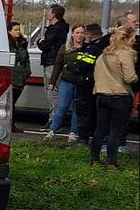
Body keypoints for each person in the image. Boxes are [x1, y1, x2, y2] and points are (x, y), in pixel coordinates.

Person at [89, 25, 138, 170]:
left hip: (101, 95)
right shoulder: (125, 53)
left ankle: (95, 161)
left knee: (99, 130)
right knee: (116, 131)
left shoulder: (103, 55)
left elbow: (96, 76)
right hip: (120, 96)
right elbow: (130, 78)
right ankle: (111, 163)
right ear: (127, 38)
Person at [45, 24, 86, 142]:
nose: (80, 35)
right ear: (72, 34)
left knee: (77, 109)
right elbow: (57, 66)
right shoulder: (65, 48)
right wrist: (52, 82)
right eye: (77, 32)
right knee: (61, 107)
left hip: (81, 83)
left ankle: (73, 133)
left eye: (82, 33)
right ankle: (52, 131)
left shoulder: (87, 48)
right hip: (66, 82)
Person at [73, 24, 107, 145]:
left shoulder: (93, 48)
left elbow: (82, 65)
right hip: (100, 85)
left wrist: (71, 66)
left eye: (85, 34)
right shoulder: (105, 45)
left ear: (90, 35)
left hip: (88, 84)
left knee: (85, 112)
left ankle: (84, 138)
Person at [36, 4, 69, 123]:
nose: (48, 14)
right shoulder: (61, 28)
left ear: (54, 14)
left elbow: (44, 45)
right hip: (52, 61)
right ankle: (54, 119)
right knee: (52, 91)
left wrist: (40, 41)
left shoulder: (56, 29)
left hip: (51, 61)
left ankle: (54, 120)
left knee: (52, 91)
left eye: (50, 12)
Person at [8, 20, 31, 132]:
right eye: (15, 30)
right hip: (11, 76)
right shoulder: (6, 43)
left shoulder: (22, 43)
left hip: (20, 77)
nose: (18, 32)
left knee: (13, 102)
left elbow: (26, 59)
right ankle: (10, 125)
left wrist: (27, 72)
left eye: (18, 30)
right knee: (9, 103)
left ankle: (11, 124)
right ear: (9, 31)